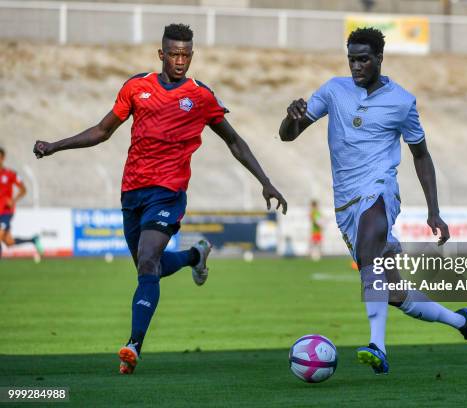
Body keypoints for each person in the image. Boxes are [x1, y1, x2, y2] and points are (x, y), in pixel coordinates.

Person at [33, 24, 287, 374]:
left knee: (149, 260)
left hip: (168, 191)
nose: (180, 61)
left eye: (186, 55)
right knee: (146, 266)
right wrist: (55, 146)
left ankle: (133, 345)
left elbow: (234, 141)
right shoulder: (137, 87)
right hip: (132, 192)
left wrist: (265, 180)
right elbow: (102, 130)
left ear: (191, 56)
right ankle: (194, 255)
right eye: (174, 54)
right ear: (161, 54)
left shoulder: (201, 97)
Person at [279, 27, 467, 374]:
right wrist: (292, 117)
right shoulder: (334, 90)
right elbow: (287, 136)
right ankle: (462, 322)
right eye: (351, 59)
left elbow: (421, 155)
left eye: (363, 59)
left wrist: (434, 211)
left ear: (379, 58)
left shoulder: (402, 101)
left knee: (368, 247)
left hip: (380, 190)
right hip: (345, 200)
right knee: (395, 295)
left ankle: (378, 346)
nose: (356, 66)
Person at [0, 147, 43, 260]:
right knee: (9, 242)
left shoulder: (10, 174)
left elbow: (23, 189)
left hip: (6, 211)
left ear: (3, 158)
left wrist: (13, 200)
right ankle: (33, 240)